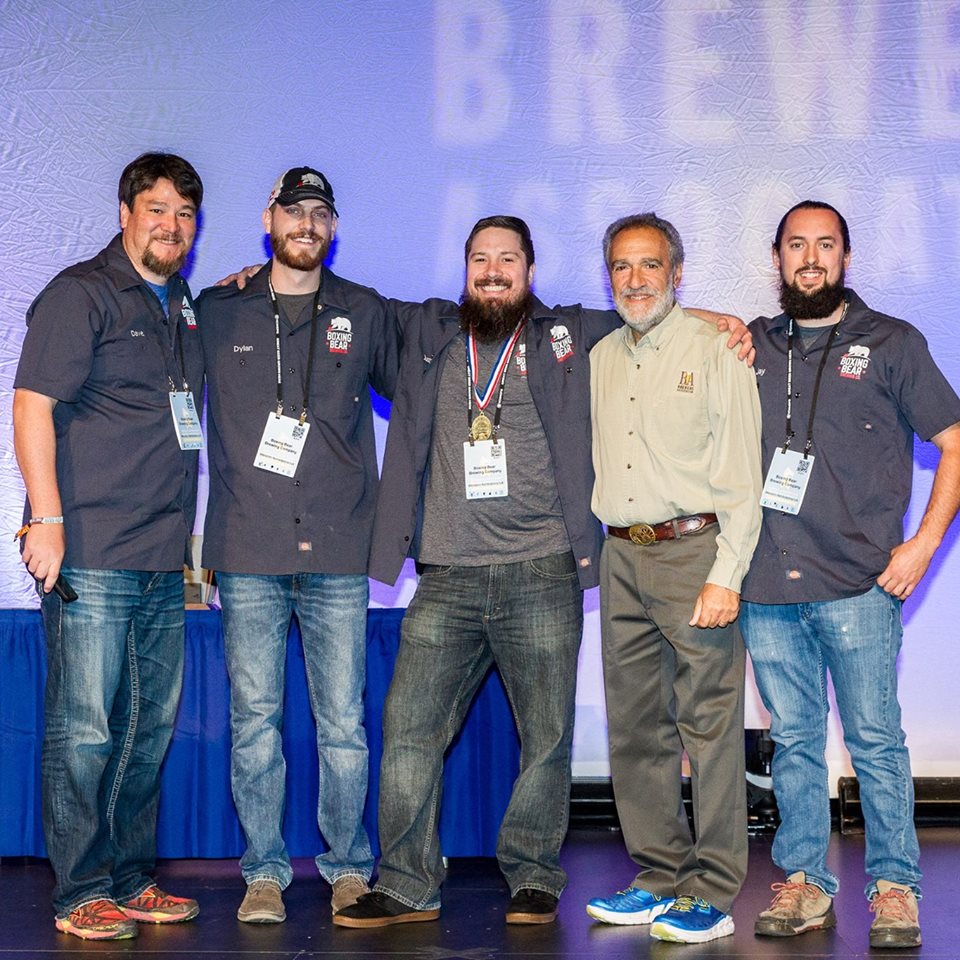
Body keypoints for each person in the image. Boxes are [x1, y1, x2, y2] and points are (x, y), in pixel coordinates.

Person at [332, 216, 753, 929]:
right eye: (479, 259)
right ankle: (406, 883)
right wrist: (252, 278)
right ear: (464, 267)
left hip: (543, 571)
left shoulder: (568, 336)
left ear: (531, 270)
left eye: (508, 259)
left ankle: (534, 874)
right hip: (447, 577)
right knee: (407, 729)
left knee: (549, 738)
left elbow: (653, 311)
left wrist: (721, 318)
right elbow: (335, 295)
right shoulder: (428, 331)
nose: (493, 271)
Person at [739, 200, 960, 950]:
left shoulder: (892, 342)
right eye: (796, 245)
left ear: (846, 257)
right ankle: (804, 883)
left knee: (874, 740)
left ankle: (894, 889)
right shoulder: (753, 344)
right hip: (766, 584)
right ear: (776, 259)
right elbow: (673, 320)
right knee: (795, 742)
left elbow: (955, 443)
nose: (811, 258)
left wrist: (924, 545)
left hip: (862, 583)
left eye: (825, 245)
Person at [13, 152, 204, 940]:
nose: (171, 225)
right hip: (89, 547)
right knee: (85, 730)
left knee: (144, 730)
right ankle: (79, 890)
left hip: (162, 556)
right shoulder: (79, 294)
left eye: (186, 213)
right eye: (157, 208)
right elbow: (30, 408)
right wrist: (45, 522)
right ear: (125, 211)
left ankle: (129, 878)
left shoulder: (183, 302)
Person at [196, 167, 396, 922]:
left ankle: (348, 867)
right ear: (268, 218)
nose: (306, 224)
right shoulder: (217, 309)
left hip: (341, 548)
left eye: (320, 213)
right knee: (256, 722)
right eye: (293, 211)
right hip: (247, 550)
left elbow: (435, 372)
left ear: (333, 228)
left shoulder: (365, 312)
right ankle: (264, 874)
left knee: (343, 723)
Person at [584, 213, 763, 944]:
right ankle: (658, 876)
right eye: (622, 266)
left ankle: (713, 892)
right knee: (635, 730)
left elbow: (744, 472)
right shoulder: (598, 356)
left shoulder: (716, 345)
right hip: (620, 557)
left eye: (649, 265)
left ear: (677, 272)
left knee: (710, 728)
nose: (635, 279)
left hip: (696, 553)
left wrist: (729, 572)